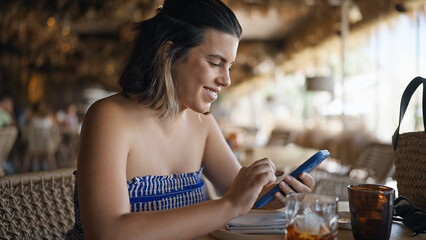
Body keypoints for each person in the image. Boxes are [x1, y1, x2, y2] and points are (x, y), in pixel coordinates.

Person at [66, 0, 315, 239]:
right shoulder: (109, 118)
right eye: (216, 63)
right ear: (169, 53)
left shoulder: (202, 124)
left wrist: (282, 193)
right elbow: (108, 232)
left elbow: (245, 196)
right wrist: (229, 205)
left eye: (229, 66)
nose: (226, 80)